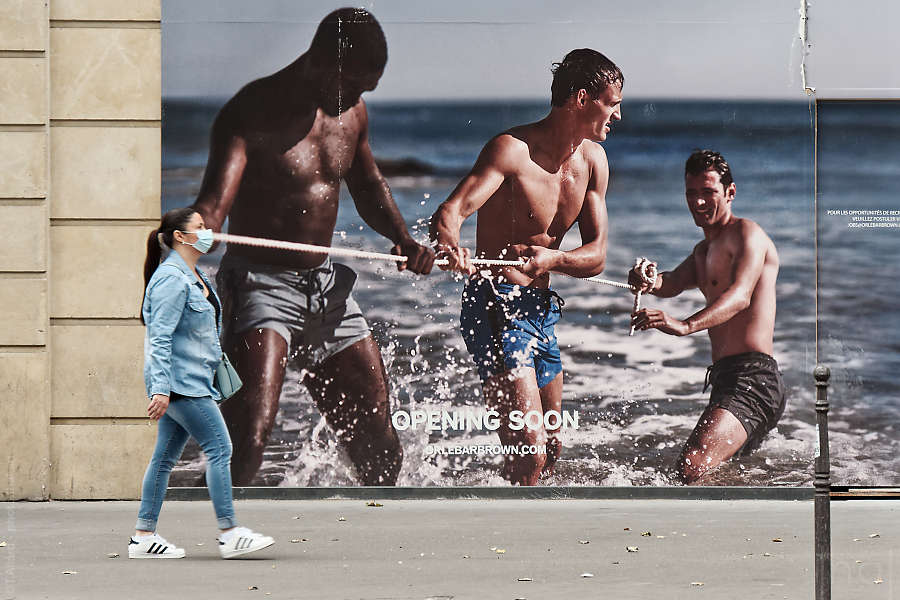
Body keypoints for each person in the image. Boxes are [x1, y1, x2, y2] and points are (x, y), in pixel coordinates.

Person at [192, 8, 434, 486]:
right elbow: (214, 209)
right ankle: (206, 541)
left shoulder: (352, 114)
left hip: (326, 291)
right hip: (260, 286)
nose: (358, 100)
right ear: (322, 63)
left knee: (381, 453)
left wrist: (403, 238)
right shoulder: (250, 112)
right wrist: (181, 234)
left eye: (368, 89)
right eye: (354, 86)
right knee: (248, 443)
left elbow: (367, 185)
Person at [430, 49, 623, 486]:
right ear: (581, 99)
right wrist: (451, 246)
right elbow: (450, 212)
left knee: (551, 450)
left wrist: (554, 259)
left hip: (540, 310)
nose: (618, 113)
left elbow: (596, 256)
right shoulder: (512, 151)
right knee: (528, 454)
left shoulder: (593, 163)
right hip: (494, 305)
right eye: (611, 103)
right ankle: (509, 548)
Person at [630, 149, 785, 484]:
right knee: (714, 474)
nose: (698, 203)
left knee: (691, 465)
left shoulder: (747, 234)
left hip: (754, 379)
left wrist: (686, 325)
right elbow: (670, 283)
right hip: (724, 378)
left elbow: (741, 296)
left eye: (708, 193)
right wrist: (647, 280)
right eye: (692, 193)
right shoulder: (702, 252)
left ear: (730, 192)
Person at [132, 207, 274, 559]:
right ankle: (230, 532)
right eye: (200, 227)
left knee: (164, 459)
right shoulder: (171, 279)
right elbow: (159, 339)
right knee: (220, 448)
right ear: (180, 236)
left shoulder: (193, 275)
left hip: (192, 381)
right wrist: (160, 389)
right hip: (182, 386)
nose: (209, 231)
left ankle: (143, 537)